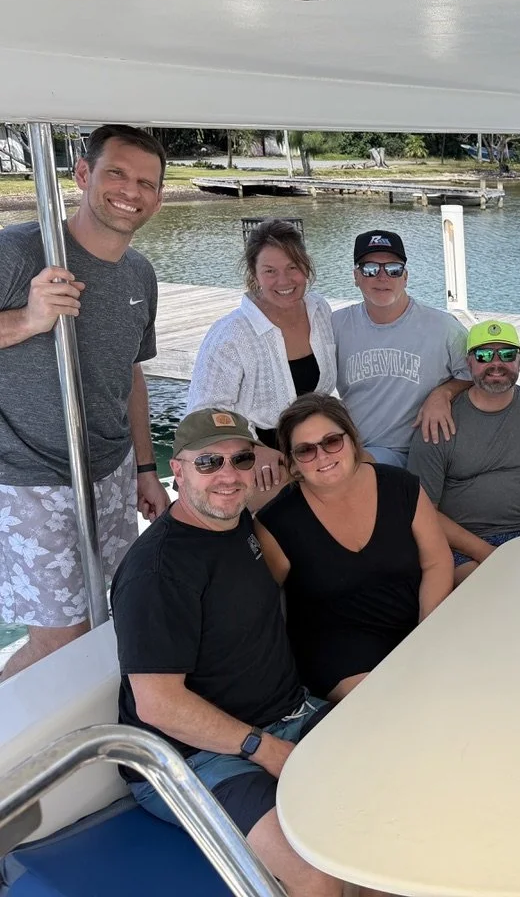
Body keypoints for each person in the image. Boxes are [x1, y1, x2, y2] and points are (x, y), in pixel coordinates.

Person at [111, 408, 343, 897]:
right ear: (177, 469)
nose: (228, 475)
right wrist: (265, 747)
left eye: (240, 460)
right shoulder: (157, 573)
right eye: (209, 462)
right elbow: (157, 704)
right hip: (195, 757)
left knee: (396, 802)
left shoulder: (234, 521)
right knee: (317, 872)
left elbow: (267, 581)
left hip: (288, 712)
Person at [0, 124, 170, 679]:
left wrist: (147, 468)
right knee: (59, 639)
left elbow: (132, 377)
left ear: (158, 197)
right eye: (116, 173)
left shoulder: (141, 272)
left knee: (116, 615)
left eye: (146, 182)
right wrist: (28, 320)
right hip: (29, 479)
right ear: (81, 175)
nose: (131, 191)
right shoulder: (22, 251)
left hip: (112, 473)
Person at [255, 394, 454, 701]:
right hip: (339, 651)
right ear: (292, 462)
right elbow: (262, 607)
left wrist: (428, 630)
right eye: (305, 450)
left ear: (352, 439)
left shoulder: (400, 486)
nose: (322, 456)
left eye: (332, 441)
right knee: (395, 705)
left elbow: (437, 562)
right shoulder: (277, 524)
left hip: (416, 624)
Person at [187, 218, 336, 509]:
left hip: (311, 445)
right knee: (298, 516)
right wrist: (253, 448)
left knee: (369, 476)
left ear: (306, 266)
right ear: (254, 275)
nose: (284, 281)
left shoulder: (319, 310)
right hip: (257, 454)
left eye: (293, 267)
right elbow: (203, 414)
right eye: (270, 271)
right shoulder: (231, 334)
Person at [408, 320, 520, 584]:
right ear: (469, 362)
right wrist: (487, 552)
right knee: (492, 588)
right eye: (483, 355)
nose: (496, 363)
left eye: (506, 354)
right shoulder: (438, 422)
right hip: (460, 546)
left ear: (519, 360)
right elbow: (423, 510)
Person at [332, 229, 473, 467]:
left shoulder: (444, 327)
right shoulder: (335, 325)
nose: (382, 277)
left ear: (405, 277)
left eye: (393, 269)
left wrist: (444, 393)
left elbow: (476, 372)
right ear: (356, 276)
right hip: (351, 446)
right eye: (370, 269)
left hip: (413, 451)